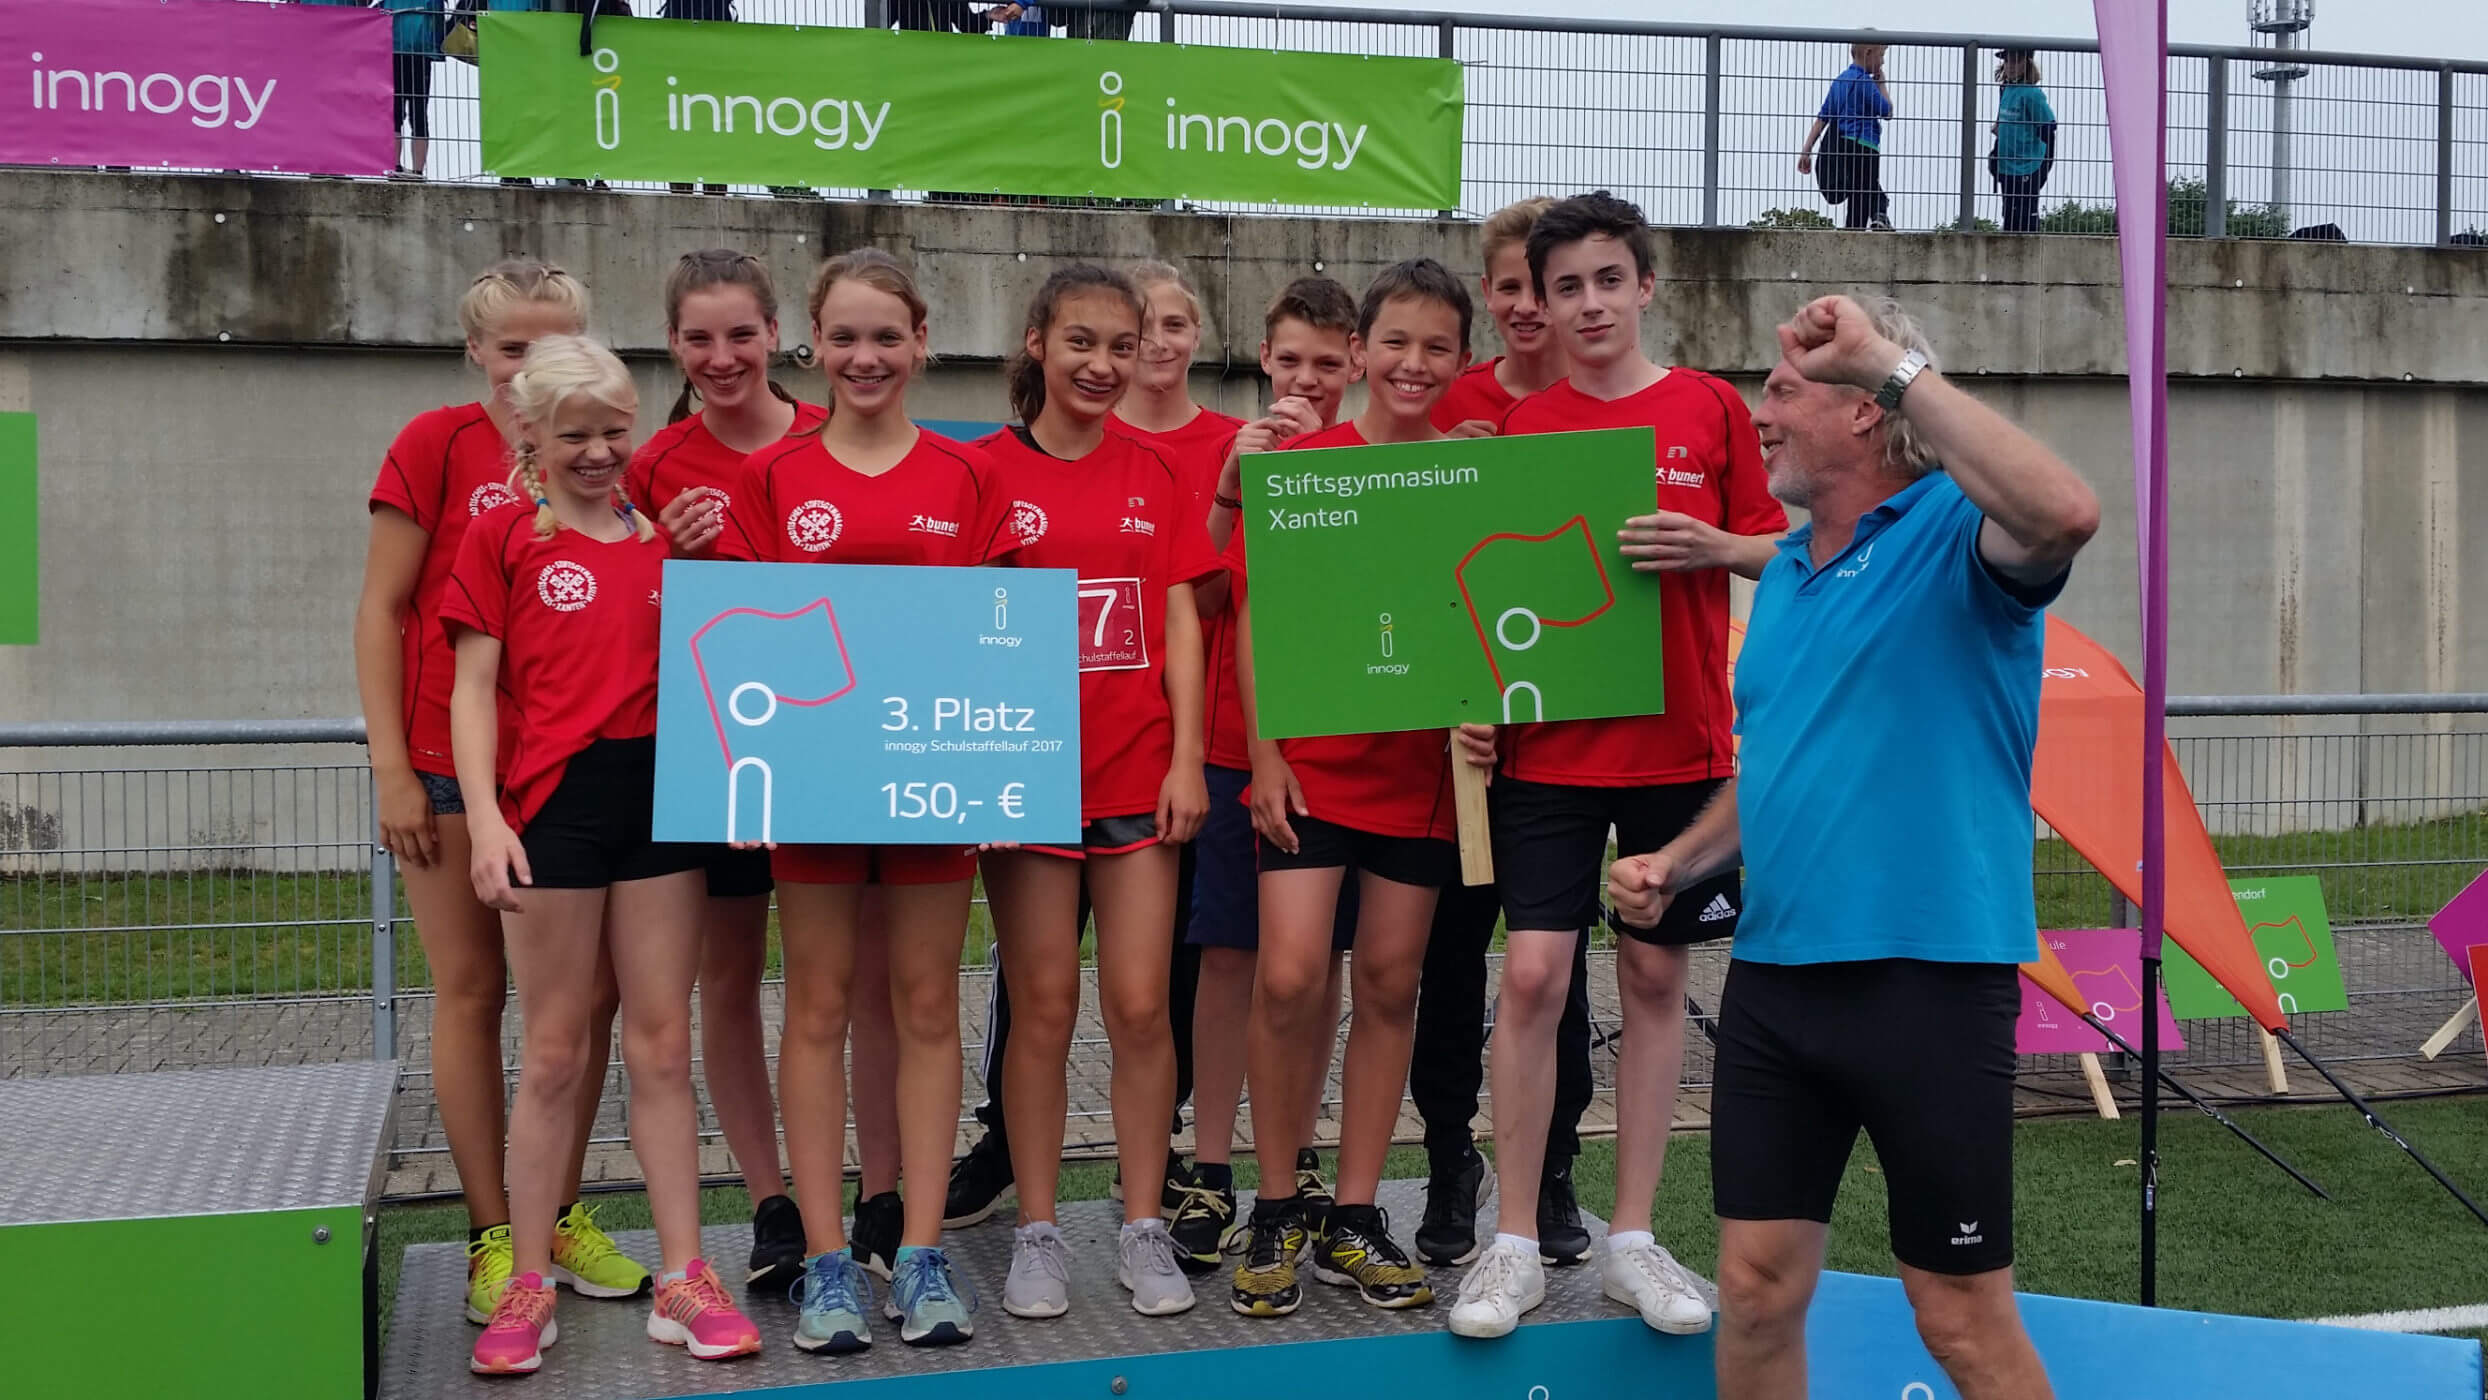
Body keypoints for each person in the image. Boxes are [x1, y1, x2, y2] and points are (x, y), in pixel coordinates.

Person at [1608, 293, 2097, 1400]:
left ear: (1867, 409)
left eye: (1783, 390)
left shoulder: (1953, 530)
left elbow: (2067, 512)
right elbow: (1779, 766)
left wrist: (1890, 360)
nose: (1759, 414)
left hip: (1928, 977)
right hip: (1776, 982)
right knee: (1754, 1286)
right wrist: (1680, 862)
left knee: (1959, 1315)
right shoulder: (1786, 570)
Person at [1447, 191, 1788, 1343]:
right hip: (1548, 750)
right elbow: (1480, 593)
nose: (1588, 303)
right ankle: (1511, 1239)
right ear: (1536, 306)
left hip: (1678, 751)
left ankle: (1632, 1236)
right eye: (1565, 287)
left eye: (1607, 279)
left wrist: (1717, 545)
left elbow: (1792, 549)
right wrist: (1477, 706)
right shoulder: (1521, 428)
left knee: (1651, 980)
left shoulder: (1709, 408)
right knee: (1532, 975)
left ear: (1645, 284)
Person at [699, 248, 1015, 1353]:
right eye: (844, 337)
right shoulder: (772, 478)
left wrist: (995, 767)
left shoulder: (970, 475)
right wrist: (747, 774)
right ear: (815, 345)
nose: (866, 356)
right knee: (818, 1007)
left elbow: (1001, 637)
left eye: (887, 336)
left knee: (927, 1005)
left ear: (921, 342)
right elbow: (739, 636)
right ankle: (828, 1262)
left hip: (934, 783)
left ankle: (920, 1253)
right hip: (814, 789)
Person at [452, 336, 762, 1375]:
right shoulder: (501, 535)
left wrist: (700, 557)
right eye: (574, 435)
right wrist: (487, 820)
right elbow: (471, 689)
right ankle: (527, 1279)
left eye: (614, 432)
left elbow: (728, 657)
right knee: (553, 1053)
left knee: (662, 1047)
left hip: (659, 802)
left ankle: (683, 1275)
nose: (597, 452)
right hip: (557, 809)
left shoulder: (662, 536)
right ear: (530, 433)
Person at [356, 259, 645, 1337]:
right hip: (451, 768)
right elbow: (381, 609)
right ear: (477, 350)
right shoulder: (435, 445)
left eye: (555, 342)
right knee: (473, 991)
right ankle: (489, 1230)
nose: (532, 363)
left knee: (587, 1004)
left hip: (571, 770)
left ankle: (552, 1216)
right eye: (514, 345)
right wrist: (393, 767)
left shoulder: (603, 449)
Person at [1223, 258, 1496, 1319]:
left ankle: (1352, 1213)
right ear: (1358, 351)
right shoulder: (1303, 468)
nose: (1413, 364)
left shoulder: (1469, 472)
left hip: (1420, 781)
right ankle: (1274, 1204)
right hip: (1312, 770)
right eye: (1395, 342)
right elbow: (1258, 616)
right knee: (1291, 977)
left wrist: (1486, 708)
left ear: (1461, 358)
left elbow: (1492, 617)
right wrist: (1267, 754)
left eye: (1437, 347)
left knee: (1388, 982)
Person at [975, 264, 1217, 1321]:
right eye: (1082, 342)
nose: (1103, 364)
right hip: (1027, 778)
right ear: (1037, 342)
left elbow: (1180, 621)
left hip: (1136, 771)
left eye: (1123, 346)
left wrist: (1186, 757)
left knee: (1140, 1004)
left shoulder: (1153, 471)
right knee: (1042, 1006)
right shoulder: (980, 471)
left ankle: (1141, 1221)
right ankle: (1036, 1229)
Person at [625, 249, 826, 1296]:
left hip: (836, 755)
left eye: (740, 333)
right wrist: (666, 557)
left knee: (848, 987)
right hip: (722, 758)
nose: (721, 356)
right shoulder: (652, 465)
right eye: (698, 338)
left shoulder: (835, 435)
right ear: (672, 344)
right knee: (732, 984)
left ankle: (876, 1197)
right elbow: (617, 614)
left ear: (775, 334)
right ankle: (770, 1201)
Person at [1412, 196, 1601, 1274]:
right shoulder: (1453, 402)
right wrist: (1443, 464)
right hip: (1458, 755)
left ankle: (1556, 1163)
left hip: (1562, 756)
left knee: (1554, 975)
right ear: (1490, 294)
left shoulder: (1601, 404)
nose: (1531, 306)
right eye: (1513, 287)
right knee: (1450, 964)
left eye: (1547, 286)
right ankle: (1451, 1157)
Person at [1173, 275, 1370, 1272]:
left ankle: (1291, 1157)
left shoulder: (1367, 461)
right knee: (1229, 956)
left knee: (1315, 967)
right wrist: (1231, 485)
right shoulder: (1233, 450)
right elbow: (1200, 590)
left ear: (1356, 365)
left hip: (1329, 749)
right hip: (1229, 741)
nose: (1306, 380)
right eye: (1290, 359)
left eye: (1327, 363)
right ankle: (1210, 1164)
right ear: (1261, 357)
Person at [1798, 42, 1895, 231]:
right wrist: (1882, 84)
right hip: (1865, 144)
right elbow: (1887, 111)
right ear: (1868, 52)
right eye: (1881, 56)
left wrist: (1806, 150)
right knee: (1865, 188)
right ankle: (1871, 219)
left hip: (1841, 144)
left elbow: (1822, 118)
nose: (1882, 62)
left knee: (1859, 188)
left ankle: (1858, 225)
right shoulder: (1864, 82)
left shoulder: (1840, 81)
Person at [1992, 50, 2057, 235]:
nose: (2011, 66)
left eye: (2016, 61)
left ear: (2026, 64)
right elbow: (2001, 126)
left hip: (2028, 166)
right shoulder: (2005, 89)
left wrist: (2043, 167)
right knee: (2009, 217)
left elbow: (2048, 129)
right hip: (2007, 166)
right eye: (2007, 61)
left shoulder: (2032, 94)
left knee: (2026, 219)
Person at [381, 0, 441, 181]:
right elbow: (439, 22)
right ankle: (417, 171)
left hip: (394, 51)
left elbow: (375, 13)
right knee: (419, 113)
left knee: (395, 113)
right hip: (421, 53)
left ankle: (395, 167)